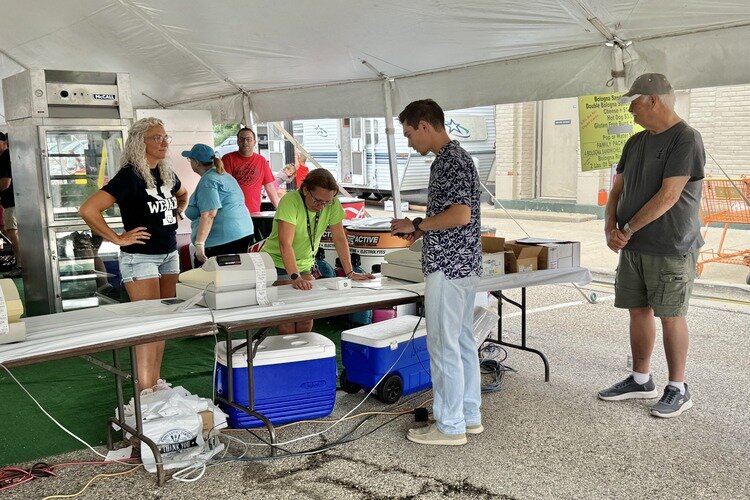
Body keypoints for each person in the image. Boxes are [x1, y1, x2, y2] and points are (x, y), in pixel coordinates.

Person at [598, 73, 705, 419]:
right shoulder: (635, 142)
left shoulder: (686, 139)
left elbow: (670, 195)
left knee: (671, 315)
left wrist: (626, 229)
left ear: (653, 100)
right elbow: (617, 190)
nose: (630, 111)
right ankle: (641, 379)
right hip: (633, 246)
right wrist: (610, 227)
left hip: (671, 246)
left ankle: (679, 387)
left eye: (634, 103)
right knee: (637, 309)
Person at [391, 99, 482, 446]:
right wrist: (421, 230)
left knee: (444, 346)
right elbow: (455, 216)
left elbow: (460, 215)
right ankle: (468, 416)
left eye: (411, 134)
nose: (410, 142)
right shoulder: (458, 158)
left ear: (426, 125)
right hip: (463, 263)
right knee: (461, 342)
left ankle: (449, 425)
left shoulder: (449, 162)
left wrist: (418, 222)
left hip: (448, 265)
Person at [79, 117, 188, 393]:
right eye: (157, 138)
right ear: (141, 142)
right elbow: (88, 209)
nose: (164, 142)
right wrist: (117, 238)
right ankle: (144, 389)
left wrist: (177, 211)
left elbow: (183, 193)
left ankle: (156, 381)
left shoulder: (166, 172)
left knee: (162, 324)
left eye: (165, 137)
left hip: (169, 254)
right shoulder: (130, 176)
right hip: (140, 257)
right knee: (147, 324)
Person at [261, 168, 374, 334]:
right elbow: (285, 243)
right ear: (306, 190)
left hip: (305, 263)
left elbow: (339, 238)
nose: (322, 206)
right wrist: (295, 277)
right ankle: (288, 358)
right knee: (287, 321)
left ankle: (305, 357)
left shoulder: (331, 202)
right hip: (277, 263)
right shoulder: (290, 201)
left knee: (306, 319)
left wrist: (349, 271)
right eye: (318, 201)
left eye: (327, 202)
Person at [182, 143, 254, 268]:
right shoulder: (224, 175)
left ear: (196, 162)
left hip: (223, 238)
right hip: (243, 232)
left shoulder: (208, 181)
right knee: (235, 276)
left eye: (190, 160)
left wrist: (199, 244)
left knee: (207, 279)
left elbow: (209, 214)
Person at [222, 128, 281, 214]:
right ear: (237, 142)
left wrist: (279, 209)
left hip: (254, 211)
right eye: (242, 139)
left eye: (249, 139)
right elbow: (226, 186)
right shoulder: (228, 159)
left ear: (254, 142)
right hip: (232, 213)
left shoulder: (261, 160)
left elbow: (269, 186)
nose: (245, 142)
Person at [0, 132, 22, 279]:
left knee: (13, 233)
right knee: (14, 232)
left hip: (12, 201)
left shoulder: (6, 156)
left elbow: (5, 183)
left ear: (4, 142)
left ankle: (21, 265)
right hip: (17, 201)